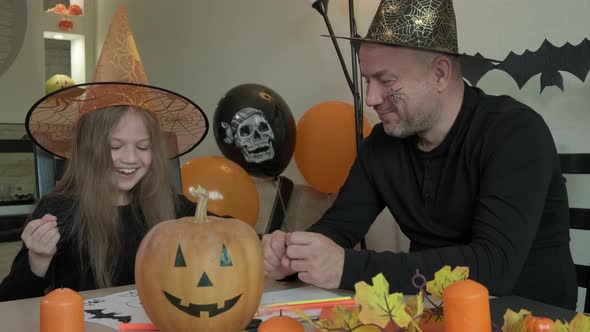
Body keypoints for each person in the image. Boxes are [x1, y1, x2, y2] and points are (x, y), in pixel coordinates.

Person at [262, 0, 577, 309]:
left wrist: (346, 267)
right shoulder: (382, 146)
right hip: (426, 312)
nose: (371, 98)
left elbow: (494, 268)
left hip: (530, 315)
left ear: (439, 74)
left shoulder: (515, 132)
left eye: (385, 81)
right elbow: (338, 228)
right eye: (367, 81)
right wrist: (292, 255)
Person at [0, 104, 206, 301]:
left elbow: (230, 234)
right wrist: (37, 260)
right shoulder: (59, 211)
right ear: (89, 151)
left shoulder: (174, 207)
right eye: (114, 146)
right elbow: (10, 301)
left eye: (143, 147)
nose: (131, 158)